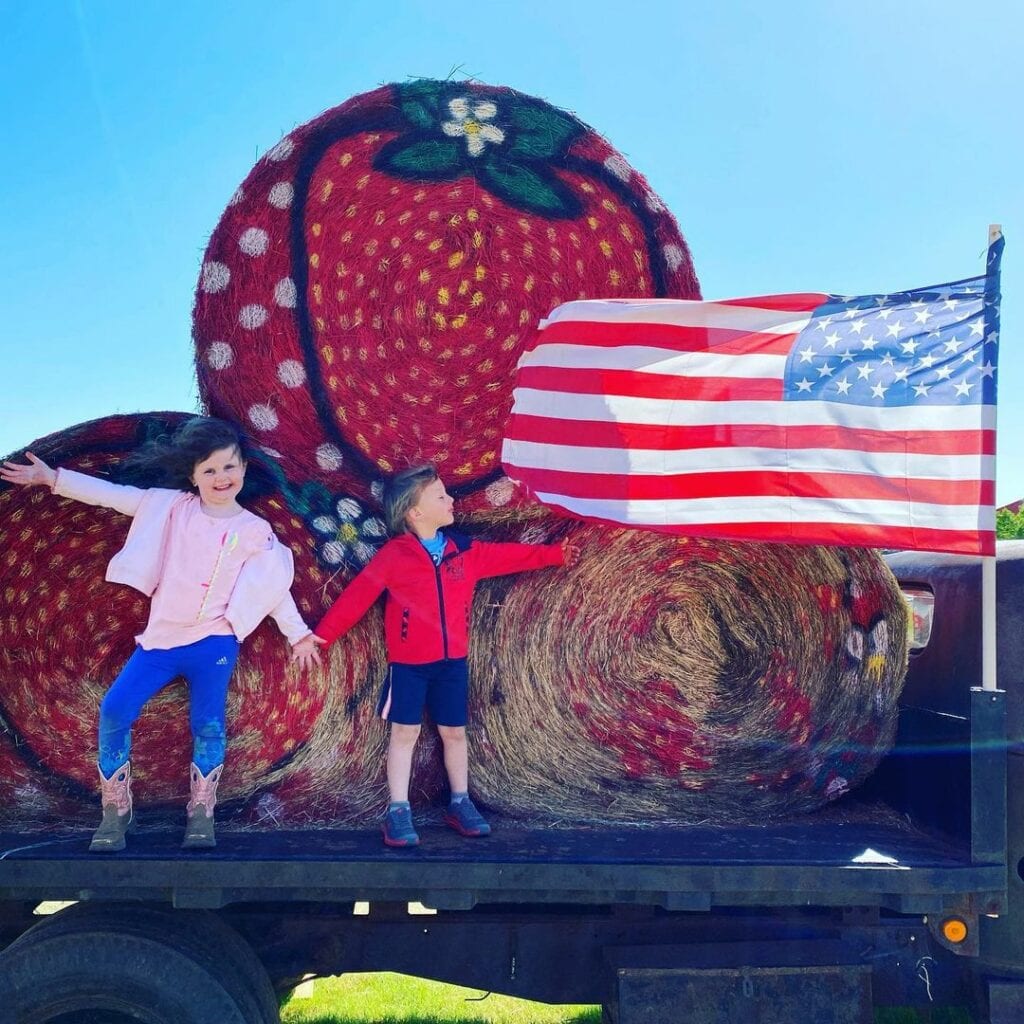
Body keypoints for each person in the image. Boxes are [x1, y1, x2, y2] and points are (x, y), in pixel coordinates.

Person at [0, 417, 322, 853]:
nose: (220, 478)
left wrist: (298, 634)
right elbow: (114, 497)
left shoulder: (255, 531)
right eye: (208, 470)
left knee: (207, 723)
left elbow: (273, 587)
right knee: (115, 708)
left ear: (244, 469)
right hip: (160, 642)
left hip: (214, 643)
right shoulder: (172, 507)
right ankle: (116, 809)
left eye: (228, 467)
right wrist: (52, 478)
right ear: (192, 476)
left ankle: (201, 812)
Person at [304, 464, 580, 847]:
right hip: (408, 667)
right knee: (404, 733)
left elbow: (509, 557)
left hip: (453, 664)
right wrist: (320, 637)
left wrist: (554, 555)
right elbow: (357, 598)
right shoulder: (394, 556)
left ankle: (460, 802)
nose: (450, 500)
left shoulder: (464, 552)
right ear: (414, 513)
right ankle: (398, 810)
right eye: (440, 496)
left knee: (454, 733)